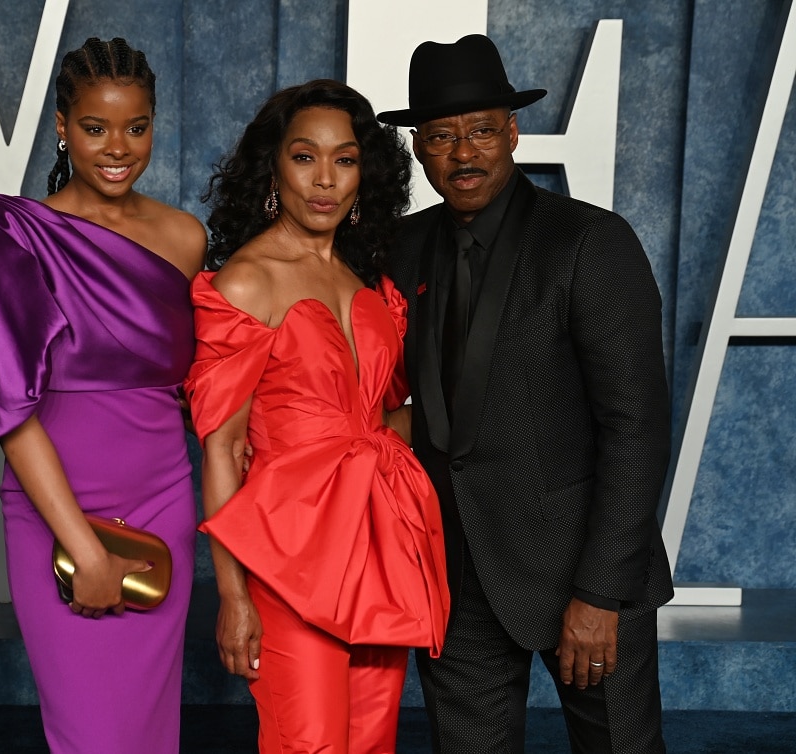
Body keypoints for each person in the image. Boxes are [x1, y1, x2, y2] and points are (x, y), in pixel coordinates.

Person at [377, 34, 674, 753]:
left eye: (481, 130)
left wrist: (601, 594)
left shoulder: (589, 243)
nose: (464, 153)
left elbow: (636, 426)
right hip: (455, 576)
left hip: (582, 571)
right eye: (442, 136)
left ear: (512, 132)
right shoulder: (400, 247)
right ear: (419, 148)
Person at [0, 37, 206, 754]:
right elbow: (8, 414)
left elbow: (183, 387)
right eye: (94, 127)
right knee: (91, 734)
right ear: (61, 125)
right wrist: (80, 545)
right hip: (58, 514)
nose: (118, 147)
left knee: (148, 731)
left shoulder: (182, 236)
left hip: (163, 502)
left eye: (136, 127)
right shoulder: (10, 236)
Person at [187, 79, 450, 753]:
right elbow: (222, 448)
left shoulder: (370, 286)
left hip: (379, 548)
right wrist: (233, 595)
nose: (325, 180)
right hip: (288, 556)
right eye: (305, 157)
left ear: (368, 172)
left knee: (372, 742)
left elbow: (385, 421)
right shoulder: (246, 282)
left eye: (345, 158)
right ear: (274, 166)